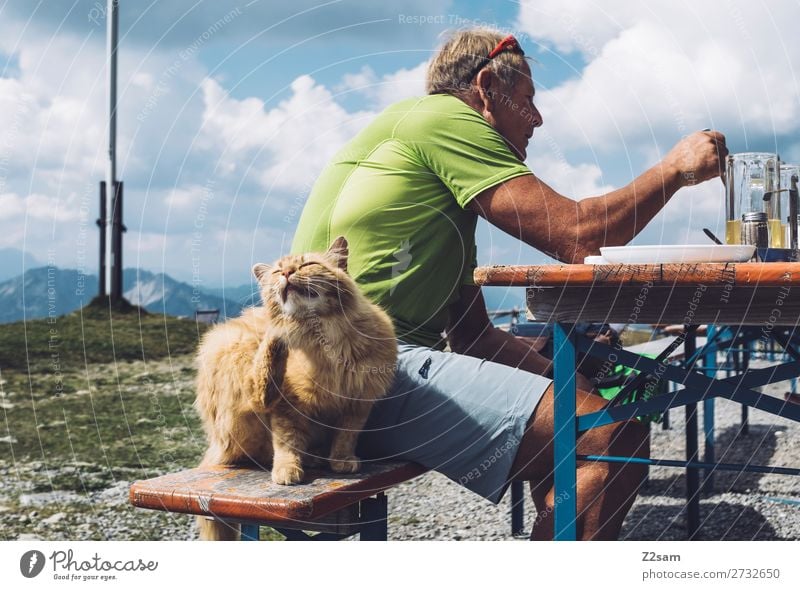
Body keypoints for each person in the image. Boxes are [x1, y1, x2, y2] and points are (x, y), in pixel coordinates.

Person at [291, 28, 727, 540]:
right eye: (526, 101)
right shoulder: (445, 118)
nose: (537, 119)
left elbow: (474, 337)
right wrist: (675, 170)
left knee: (586, 415)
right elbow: (577, 236)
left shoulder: (429, 180)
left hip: (334, 374)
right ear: (484, 88)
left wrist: (573, 384)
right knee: (613, 436)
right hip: (358, 376)